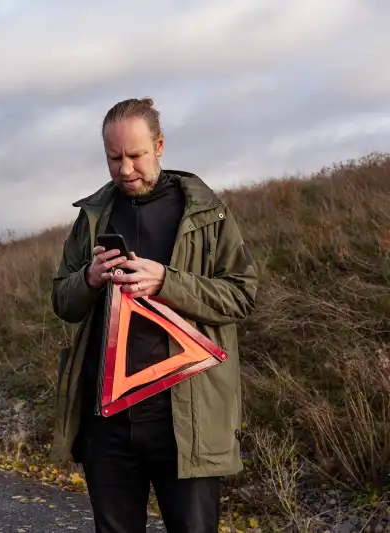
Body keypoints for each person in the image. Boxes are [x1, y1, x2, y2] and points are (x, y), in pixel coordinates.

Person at [49, 97, 258, 533]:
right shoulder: (92, 217)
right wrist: (88, 278)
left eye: (136, 155)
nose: (125, 169)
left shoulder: (206, 213)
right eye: (114, 157)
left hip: (187, 421)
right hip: (106, 422)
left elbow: (241, 296)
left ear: (160, 145)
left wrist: (167, 282)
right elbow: (61, 304)